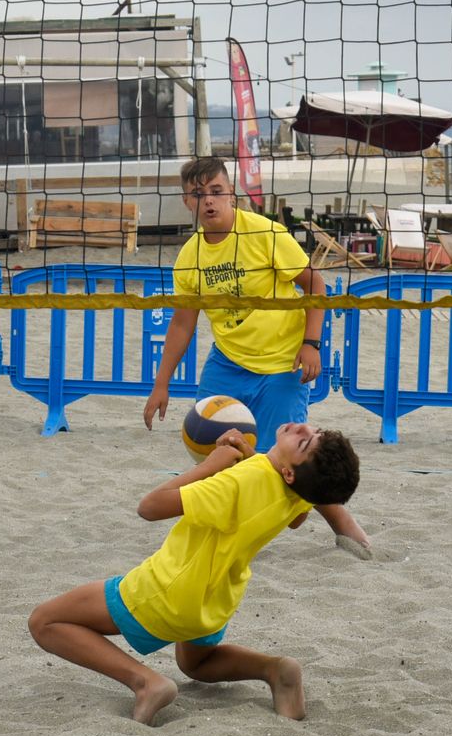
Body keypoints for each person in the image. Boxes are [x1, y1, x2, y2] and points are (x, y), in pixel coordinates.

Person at [28, 422, 360, 726]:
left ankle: (145, 682)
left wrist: (209, 466)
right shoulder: (301, 490)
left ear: (289, 472)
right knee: (196, 664)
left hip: (166, 590)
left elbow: (150, 507)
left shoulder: (238, 482)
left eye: (304, 443)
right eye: (313, 431)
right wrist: (251, 457)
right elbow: (296, 518)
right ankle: (273, 668)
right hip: (214, 602)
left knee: (45, 622)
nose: (301, 428)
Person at [143, 157, 373, 558]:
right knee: (214, 443)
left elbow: (315, 284)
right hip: (228, 362)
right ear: (187, 201)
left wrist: (312, 343)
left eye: (216, 191)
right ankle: (220, 525)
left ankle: (341, 522)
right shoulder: (190, 257)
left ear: (231, 194)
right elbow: (182, 323)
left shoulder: (265, 233)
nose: (208, 200)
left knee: (293, 459)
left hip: (282, 364)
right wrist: (161, 384)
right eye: (198, 194)